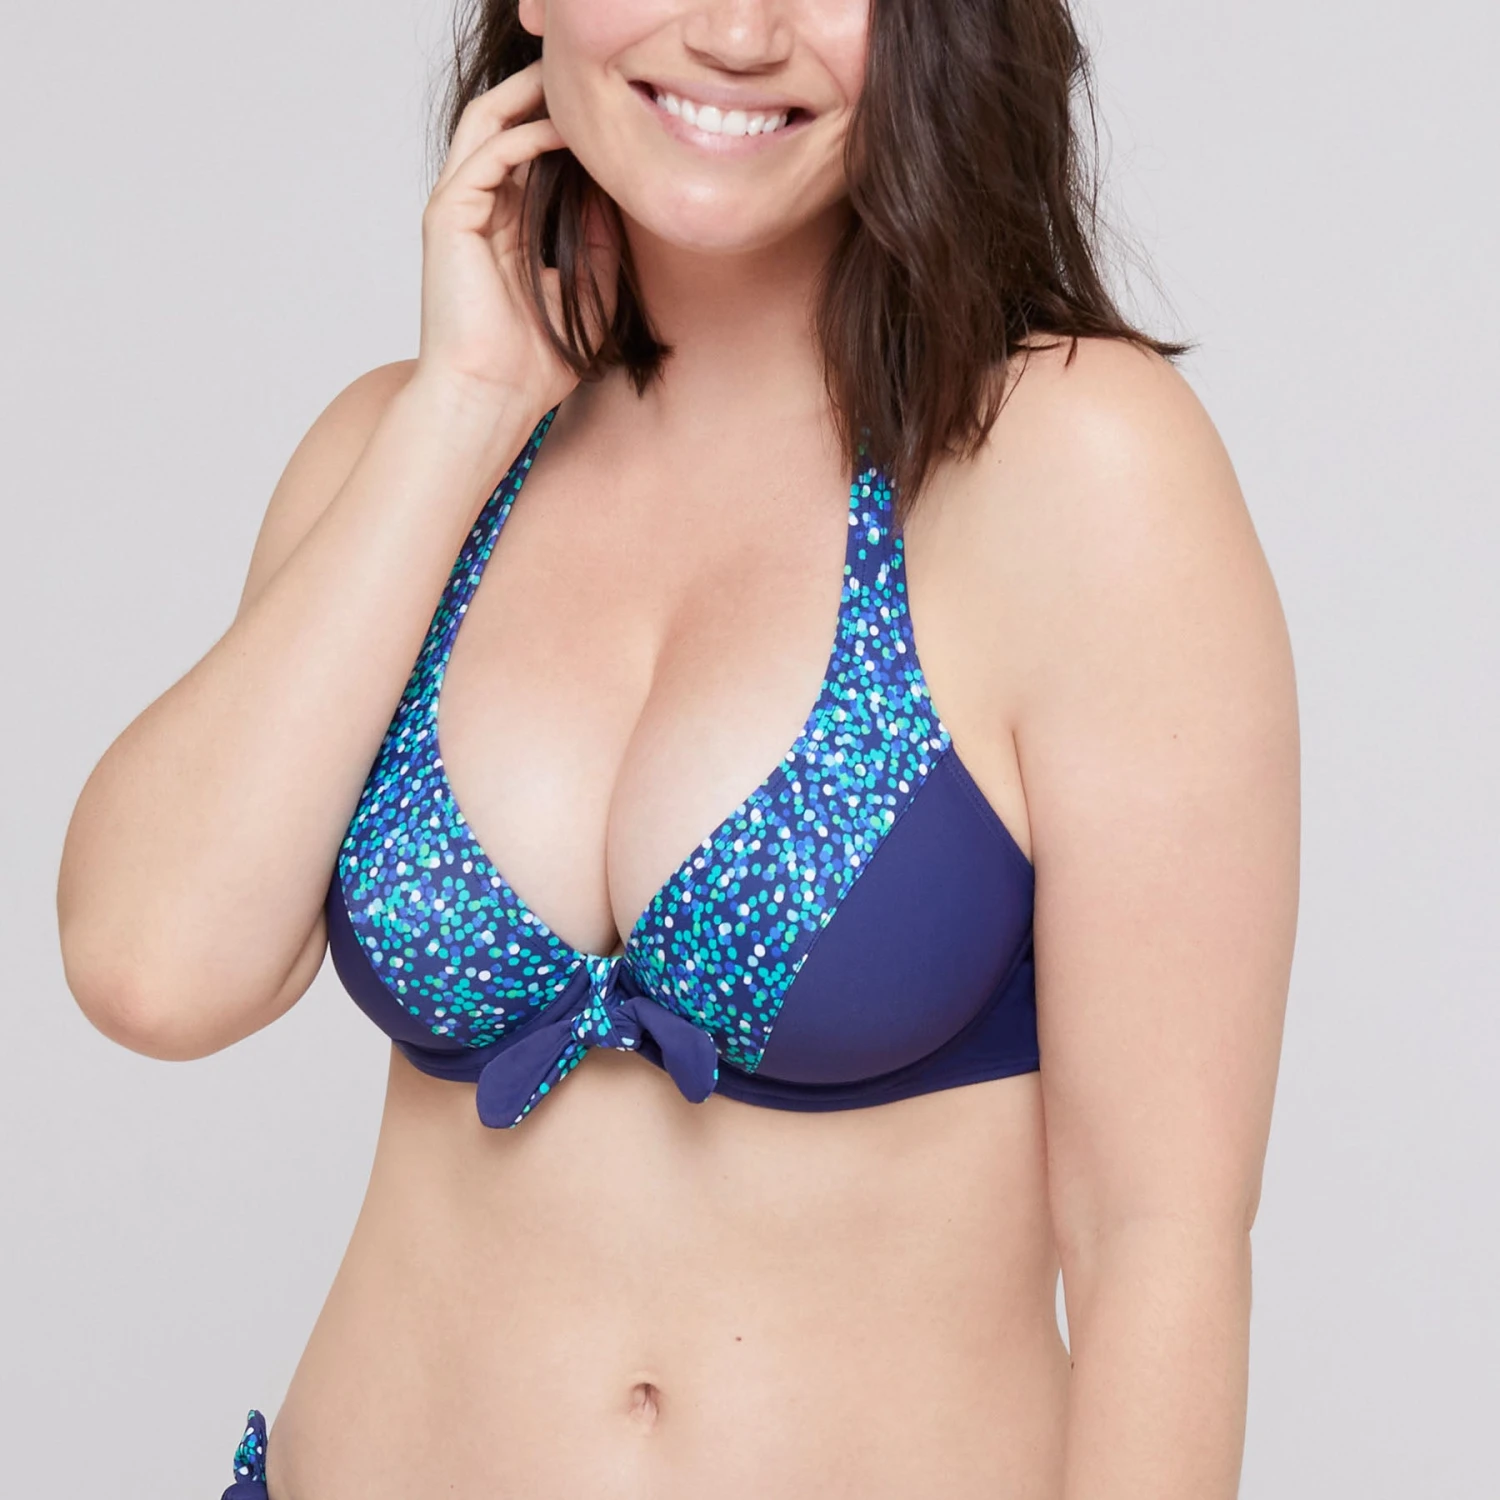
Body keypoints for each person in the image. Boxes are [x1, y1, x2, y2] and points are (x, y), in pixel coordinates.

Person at [56, 2, 1299, 1497]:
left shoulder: (1072, 461)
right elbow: (155, 972)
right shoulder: (403, 450)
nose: (735, 30)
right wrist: (464, 408)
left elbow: (1159, 1244)